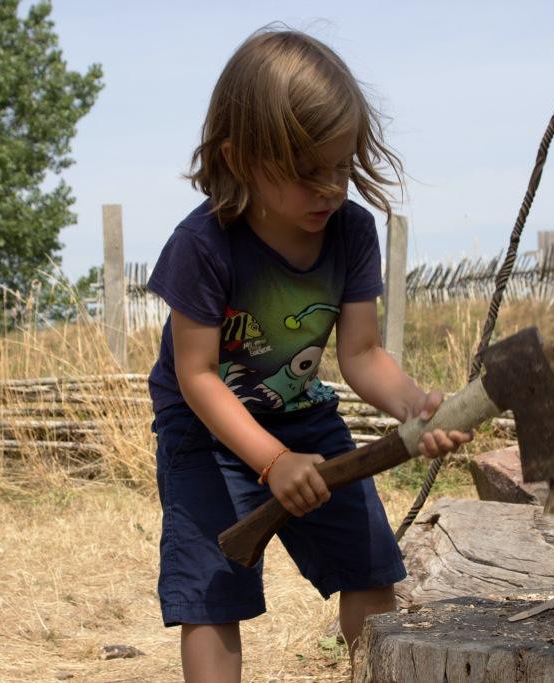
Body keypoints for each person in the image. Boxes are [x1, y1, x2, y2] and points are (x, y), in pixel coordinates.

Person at [147, 26, 471, 682]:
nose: (329, 188)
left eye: (341, 167)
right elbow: (197, 375)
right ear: (240, 158)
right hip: (207, 434)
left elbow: (361, 353)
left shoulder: (351, 233)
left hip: (304, 420)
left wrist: (414, 405)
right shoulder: (203, 245)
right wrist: (271, 461)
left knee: (372, 570)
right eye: (306, 172)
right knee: (213, 594)